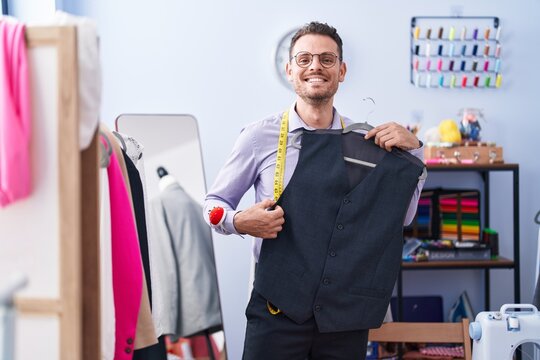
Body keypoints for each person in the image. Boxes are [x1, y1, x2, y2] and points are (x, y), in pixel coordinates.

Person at [204, 21, 426, 360]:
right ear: (290, 69)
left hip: (343, 315)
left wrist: (416, 153)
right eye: (304, 59)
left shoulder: (366, 141)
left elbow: (399, 217)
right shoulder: (257, 137)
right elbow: (212, 206)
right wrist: (237, 221)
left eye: (326, 59)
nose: (315, 67)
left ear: (342, 70)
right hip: (277, 310)